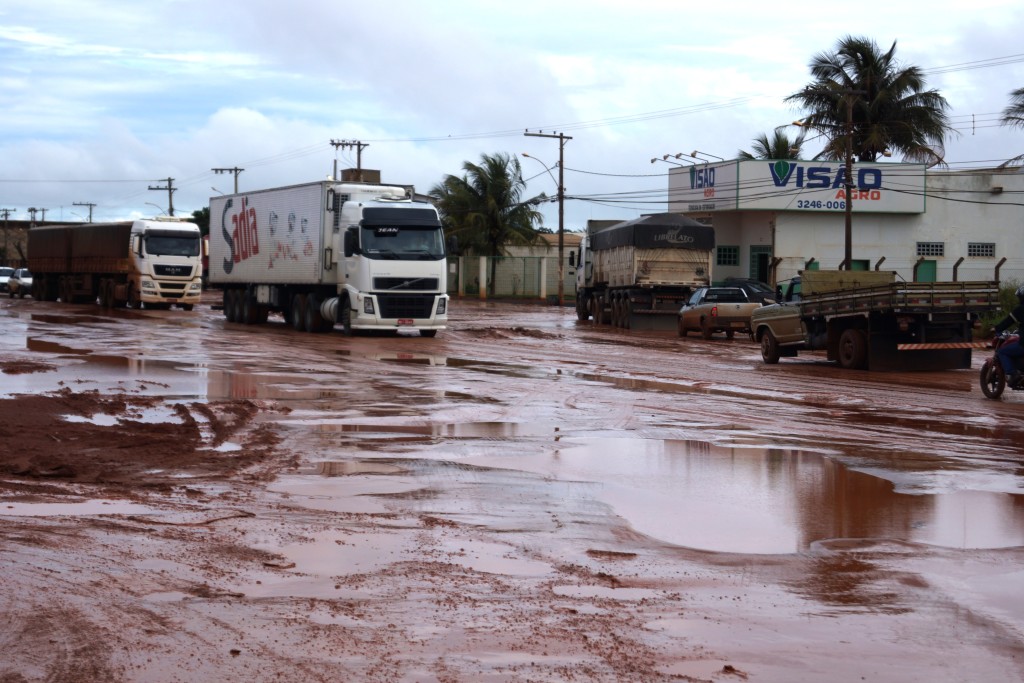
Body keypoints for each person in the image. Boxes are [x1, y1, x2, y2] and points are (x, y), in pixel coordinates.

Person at [992, 285, 1024, 384]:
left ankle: (1012, 374)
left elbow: (1008, 322)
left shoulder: (1020, 309)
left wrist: (996, 328)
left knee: (1002, 351)